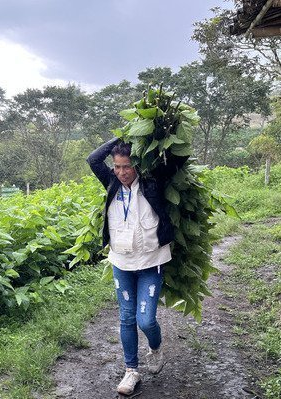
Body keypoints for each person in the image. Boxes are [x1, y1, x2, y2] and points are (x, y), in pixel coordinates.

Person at [86, 137, 185, 395]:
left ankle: (155, 348)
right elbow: (93, 159)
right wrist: (118, 139)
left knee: (146, 320)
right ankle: (131, 371)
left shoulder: (152, 182)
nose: (121, 173)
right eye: (117, 167)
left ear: (138, 165)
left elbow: (178, 159)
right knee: (127, 318)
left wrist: (154, 135)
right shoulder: (111, 182)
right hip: (122, 262)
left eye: (127, 166)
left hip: (151, 262)